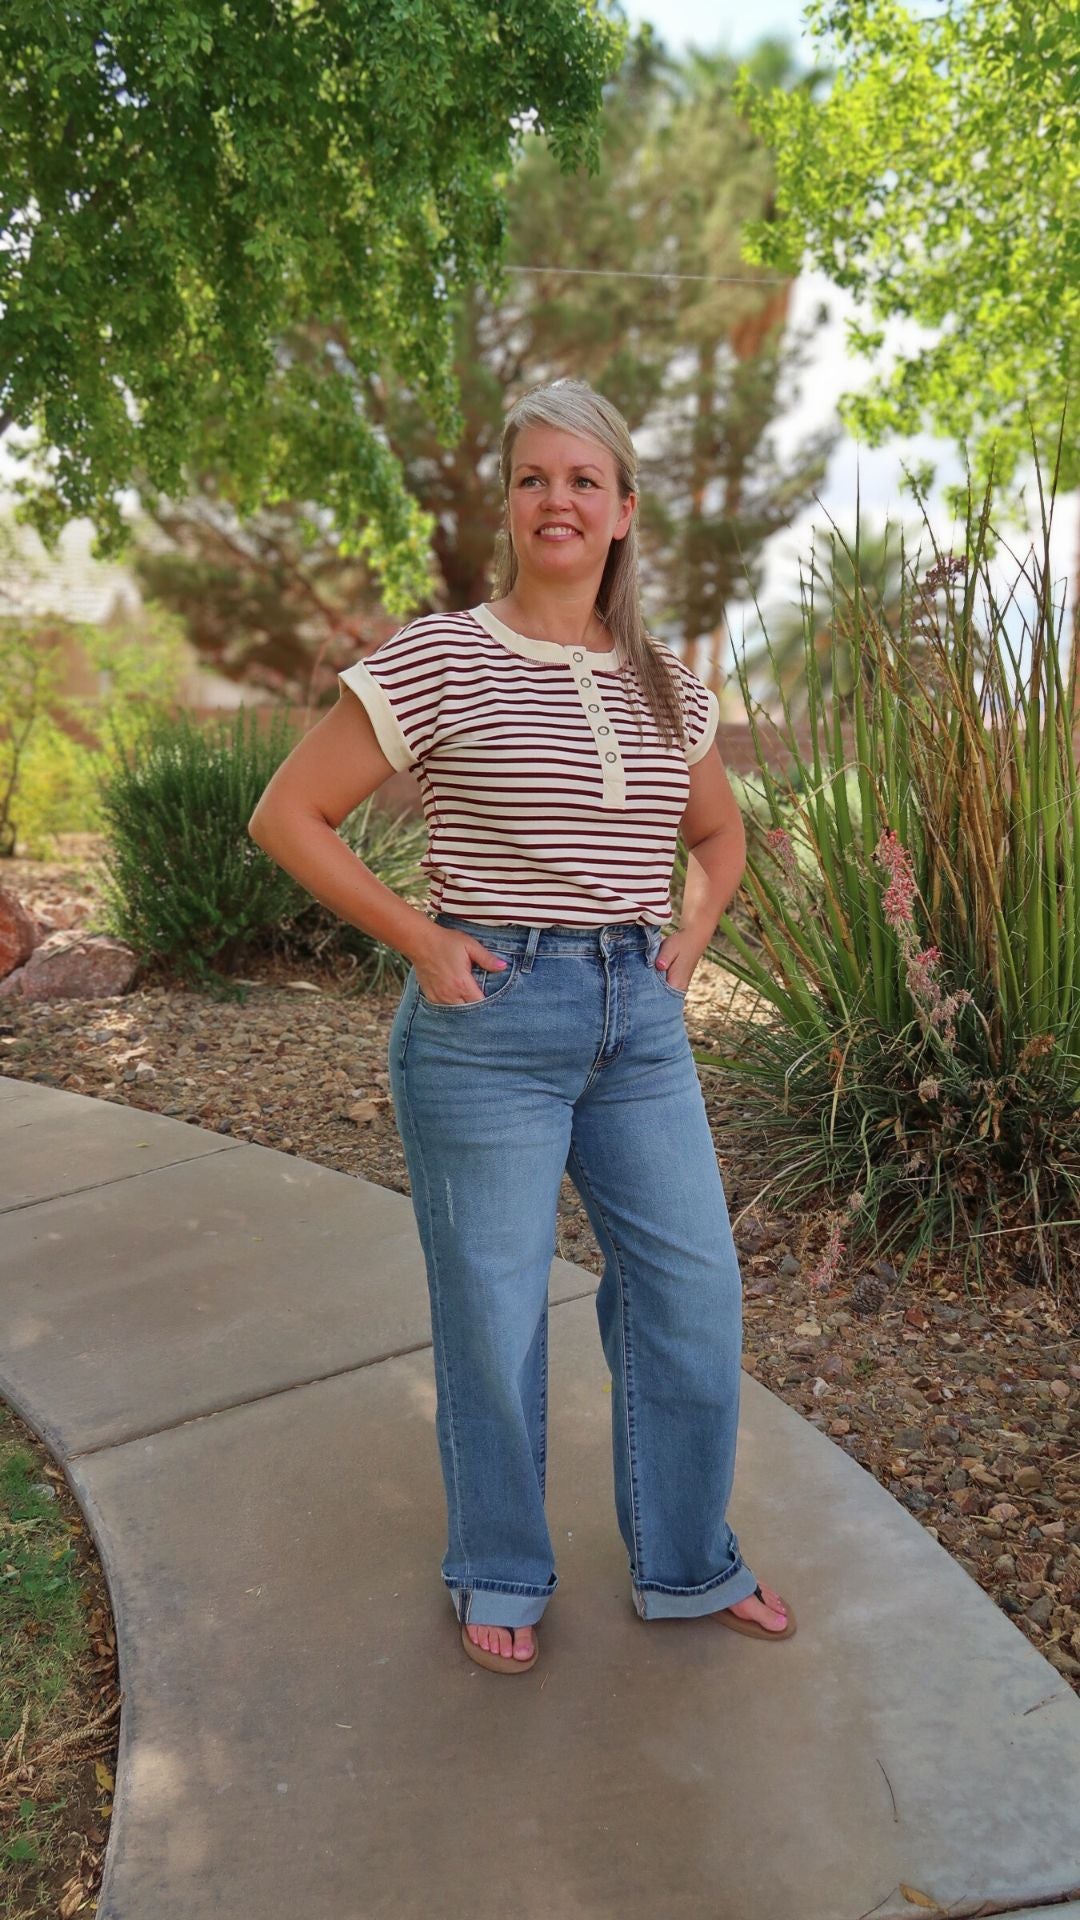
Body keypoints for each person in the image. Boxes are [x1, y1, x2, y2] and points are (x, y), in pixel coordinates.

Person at [248, 377, 795, 1676]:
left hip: (638, 1024)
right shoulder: (441, 657)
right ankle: (497, 1565)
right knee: (495, 1314)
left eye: (584, 480)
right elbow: (287, 815)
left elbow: (720, 835)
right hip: (489, 1022)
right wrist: (421, 938)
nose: (559, 499)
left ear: (624, 511)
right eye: (534, 478)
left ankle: (687, 1559)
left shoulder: (668, 682)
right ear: (507, 505)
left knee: (693, 1293)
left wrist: (695, 931)